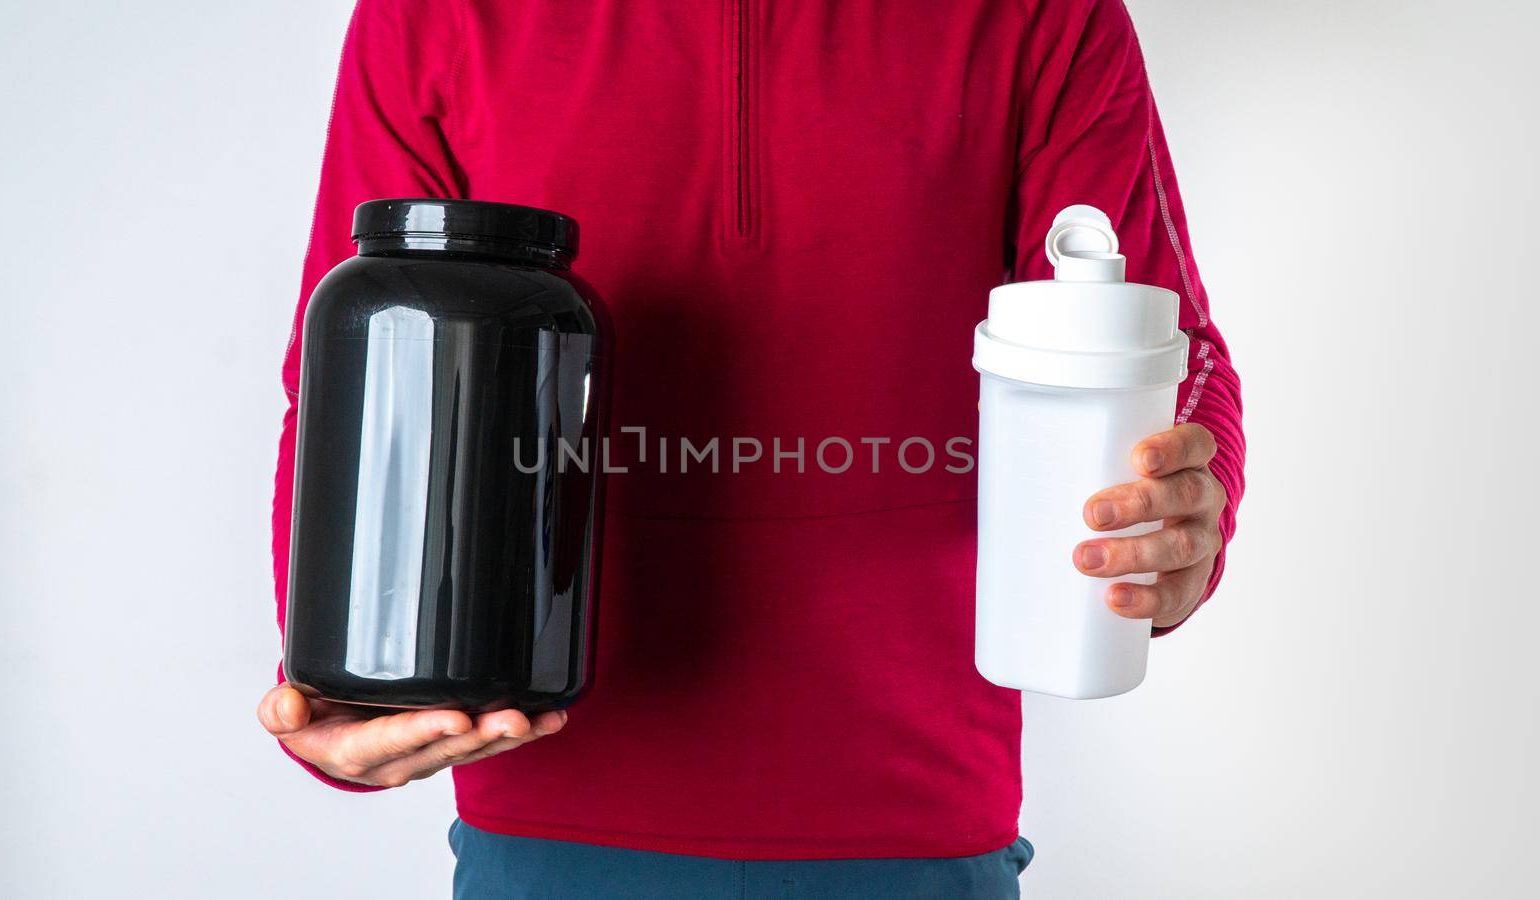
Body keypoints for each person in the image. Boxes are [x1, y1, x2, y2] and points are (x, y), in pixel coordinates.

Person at [256, 1, 1245, 896]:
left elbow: (1158, 348)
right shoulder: (431, 14)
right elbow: (348, 372)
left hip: (916, 814)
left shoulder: (1042, 12)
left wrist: (1176, 520)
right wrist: (339, 682)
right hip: (546, 804)